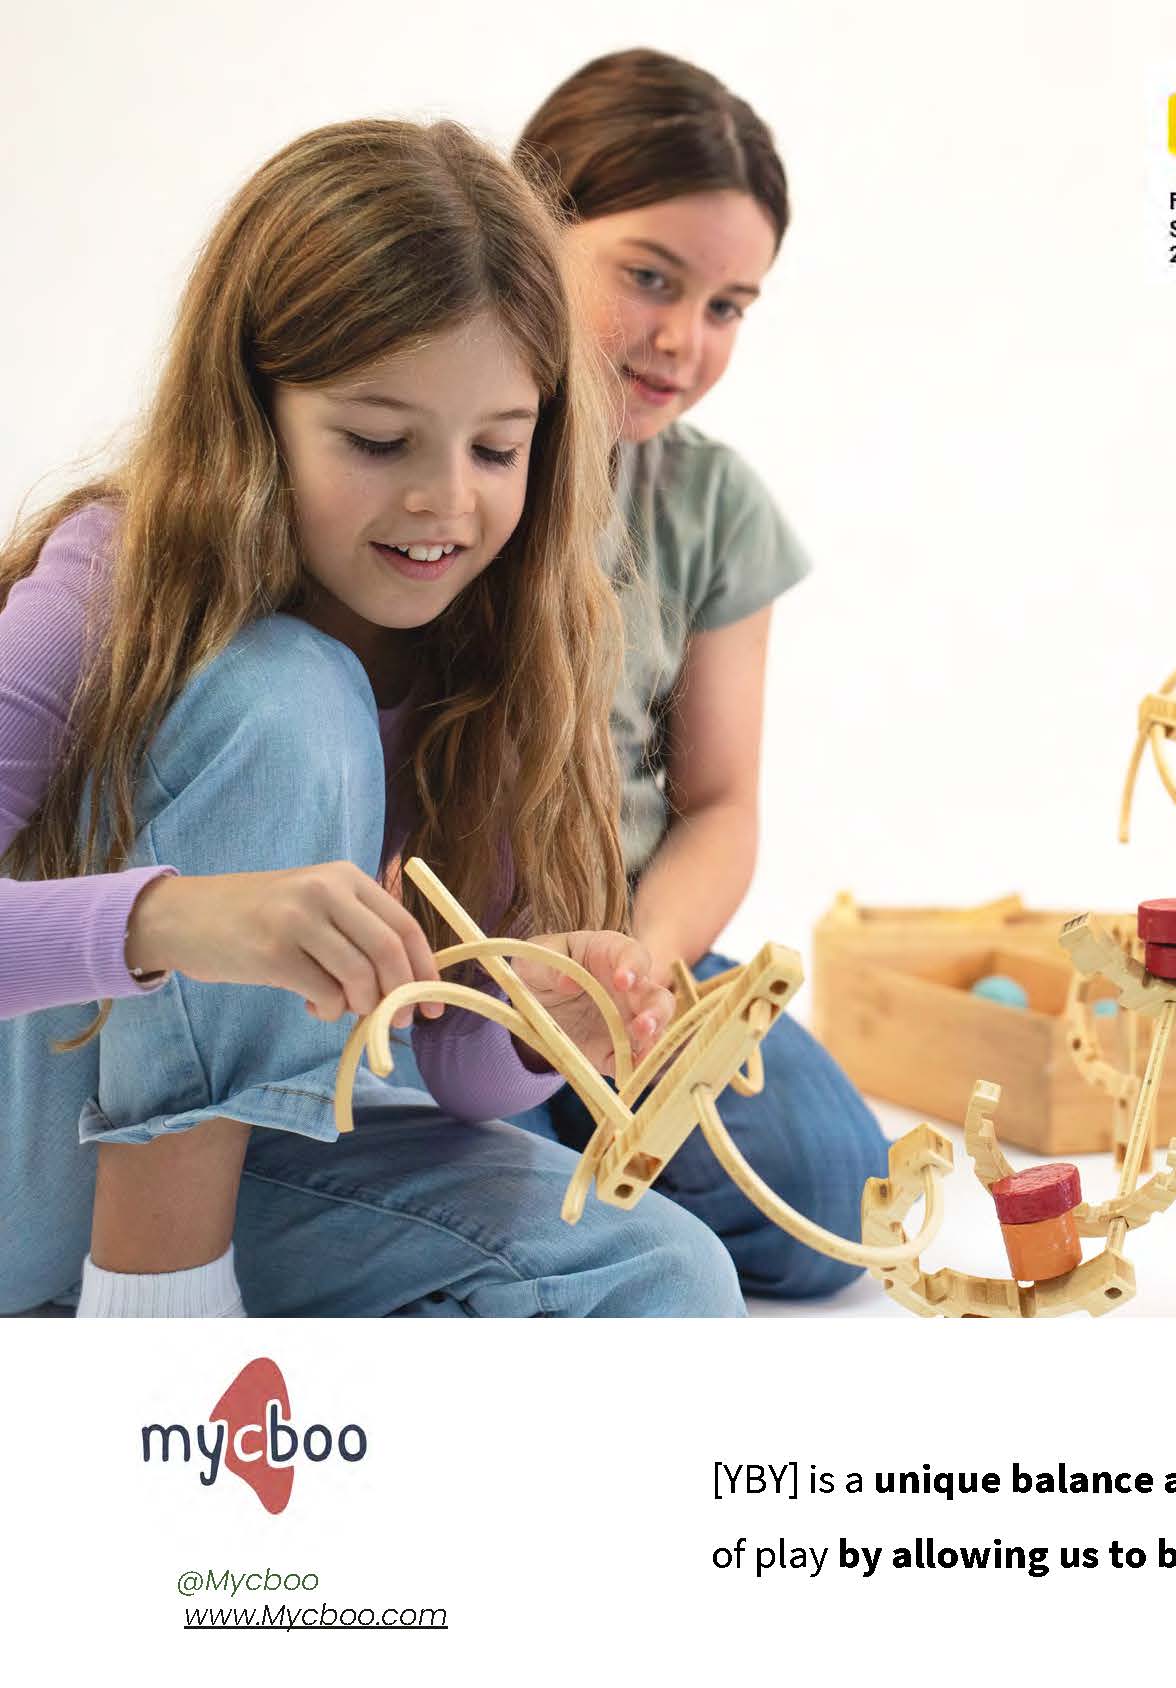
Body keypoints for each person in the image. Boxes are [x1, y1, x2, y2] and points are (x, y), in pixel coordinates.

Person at [0, 119, 738, 1316]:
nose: (444, 502)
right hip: (25, 1161)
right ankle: (155, 1330)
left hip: (257, 1151)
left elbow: (454, 1069)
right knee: (286, 688)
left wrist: (529, 1016)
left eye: (498, 448)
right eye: (378, 439)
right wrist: (172, 921)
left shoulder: (495, 632)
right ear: (252, 408)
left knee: (666, 1280)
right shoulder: (118, 573)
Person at [502, 49, 890, 1300]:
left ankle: (550, 1143)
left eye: (727, 306)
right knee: (472, 1145)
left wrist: (644, 967)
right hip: (448, 953)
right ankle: (508, 1156)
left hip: (625, 943)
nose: (682, 340)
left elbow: (718, 800)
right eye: (649, 279)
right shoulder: (445, 456)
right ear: (530, 224)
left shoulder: (710, 503)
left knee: (838, 1187)